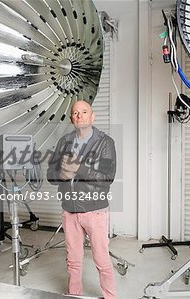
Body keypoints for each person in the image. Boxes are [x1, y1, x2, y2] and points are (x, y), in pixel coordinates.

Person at [47, 100, 117, 298]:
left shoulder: (105, 143)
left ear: (92, 117)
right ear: (72, 118)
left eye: (84, 112)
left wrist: (79, 168)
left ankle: (111, 296)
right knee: (73, 261)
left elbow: (107, 178)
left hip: (94, 210)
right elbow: (50, 175)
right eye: (75, 113)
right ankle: (74, 295)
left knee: (102, 260)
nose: (79, 116)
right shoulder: (64, 142)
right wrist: (61, 174)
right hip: (69, 211)